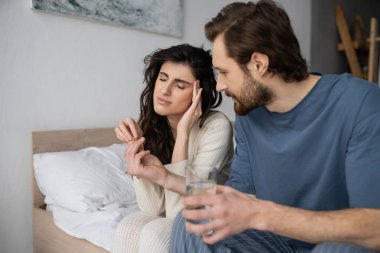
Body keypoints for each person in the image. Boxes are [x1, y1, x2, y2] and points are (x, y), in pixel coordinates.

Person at [171, 1, 380, 253]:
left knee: (337, 249)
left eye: (224, 72)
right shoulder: (249, 113)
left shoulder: (359, 102)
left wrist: (264, 214)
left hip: (334, 246)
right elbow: (239, 199)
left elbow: (374, 226)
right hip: (276, 244)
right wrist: (164, 178)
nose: (219, 87)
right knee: (193, 218)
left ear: (259, 64)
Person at [112, 44, 234, 253]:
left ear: (199, 93)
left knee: (155, 233)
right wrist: (136, 146)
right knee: (128, 227)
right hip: (176, 215)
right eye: (162, 78)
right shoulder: (155, 125)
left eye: (180, 85)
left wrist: (184, 133)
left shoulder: (217, 126)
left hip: (212, 217)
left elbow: (178, 211)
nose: (165, 90)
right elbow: (152, 208)